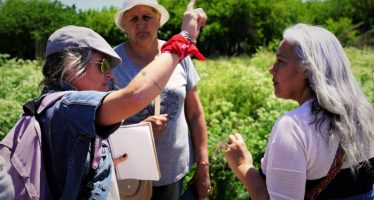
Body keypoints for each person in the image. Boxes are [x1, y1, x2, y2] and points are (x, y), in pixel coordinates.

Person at [31, 6, 206, 199]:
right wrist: (184, 39)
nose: (110, 74)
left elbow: (88, 160)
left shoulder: (53, 104)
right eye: (102, 65)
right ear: (73, 66)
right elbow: (135, 96)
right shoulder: (70, 106)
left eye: (147, 16)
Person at [225, 23, 374, 199]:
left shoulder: (294, 127)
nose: (271, 69)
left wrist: (243, 166)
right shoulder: (366, 115)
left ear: (307, 69)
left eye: (280, 61)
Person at [112, 0, 211, 199]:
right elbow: (103, 122)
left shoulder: (178, 54)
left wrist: (203, 165)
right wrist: (140, 132)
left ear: (158, 21)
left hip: (174, 170)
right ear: (124, 25)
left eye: (147, 17)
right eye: (133, 18)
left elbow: (195, 113)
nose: (141, 23)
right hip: (131, 174)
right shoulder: (113, 62)